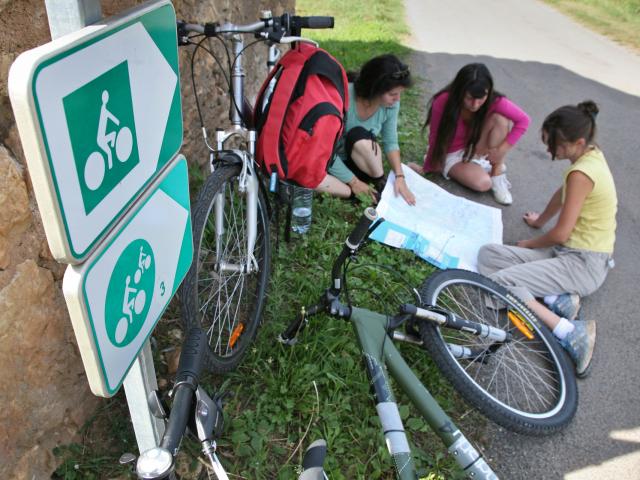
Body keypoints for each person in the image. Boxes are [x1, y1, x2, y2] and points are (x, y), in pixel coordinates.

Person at [477, 100, 617, 377]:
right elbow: (563, 193)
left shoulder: (582, 172)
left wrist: (530, 243)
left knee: (502, 282)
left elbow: (561, 233)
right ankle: (557, 298)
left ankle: (571, 332)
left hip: (583, 263)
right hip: (571, 254)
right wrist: (540, 220)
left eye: (555, 145)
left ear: (578, 142)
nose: (550, 150)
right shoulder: (589, 156)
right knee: (489, 255)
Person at [408, 63, 530, 205]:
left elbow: (523, 121)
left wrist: (501, 151)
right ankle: (475, 168)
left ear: (488, 92)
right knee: (483, 183)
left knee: (501, 120)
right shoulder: (443, 101)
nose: (475, 104)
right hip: (451, 153)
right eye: (469, 98)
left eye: (481, 98)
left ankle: (497, 174)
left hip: (475, 145)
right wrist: (428, 167)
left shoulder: (494, 100)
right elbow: (435, 137)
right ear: (459, 91)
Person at [315, 54, 416, 205]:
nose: (398, 99)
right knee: (315, 181)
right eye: (393, 94)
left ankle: (377, 182)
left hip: (359, 160)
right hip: (329, 160)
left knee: (361, 138)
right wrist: (353, 182)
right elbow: (324, 149)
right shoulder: (342, 96)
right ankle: (353, 190)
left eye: (399, 94)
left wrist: (400, 176)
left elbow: (390, 141)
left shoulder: (391, 104)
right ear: (374, 88)